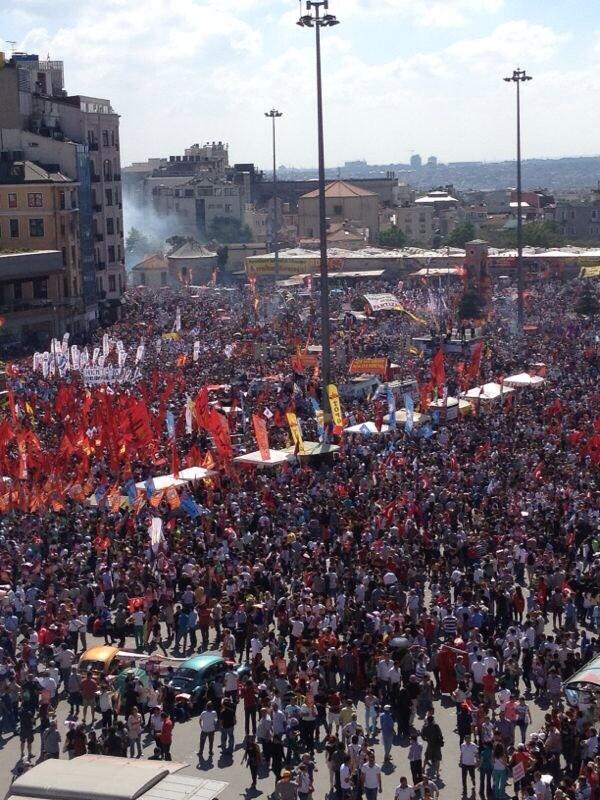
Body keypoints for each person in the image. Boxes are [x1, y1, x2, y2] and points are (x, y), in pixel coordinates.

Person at [422, 712, 444, 778]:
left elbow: (422, 736)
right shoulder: (436, 726)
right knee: (437, 759)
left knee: (427, 757)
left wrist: (426, 739)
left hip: (430, 744)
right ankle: (437, 773)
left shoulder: (425, 727)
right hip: (437, 745)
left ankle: (423, 768)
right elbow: (440, 734)